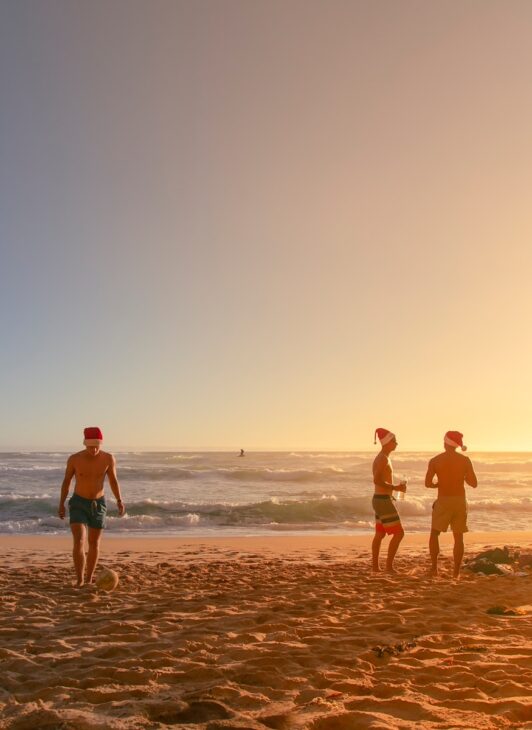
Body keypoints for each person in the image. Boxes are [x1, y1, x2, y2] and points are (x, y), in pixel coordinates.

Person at [58, 427, 125, 587]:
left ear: (100, 444)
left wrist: (119, 500)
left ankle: (89, 579)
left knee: (94, 542)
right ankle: (80, 579)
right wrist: (61, 503)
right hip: (78, 503)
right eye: (90, 446)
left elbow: (113, 481)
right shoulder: (75, 459)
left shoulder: (108, 458)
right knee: (79, 540)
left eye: (97, 446)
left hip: (98, 503)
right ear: (84, 444)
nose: (93, 449)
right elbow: (66, 482)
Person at [425, 431, 478, 578]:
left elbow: (427, 483)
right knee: (458, 537)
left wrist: (438, 484)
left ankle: (434, 568)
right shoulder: (465, 460)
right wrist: (463, 477)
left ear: (444, 443)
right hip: (459, 500)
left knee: (434, 533)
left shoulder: (435, 460)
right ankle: (456, 573)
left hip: (443, 500)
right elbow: (474, 483)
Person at [371, 428, 407, 573]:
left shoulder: (384, 457)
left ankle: (375, 567)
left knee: (380, 534)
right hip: (383, 500)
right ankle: (389, 567)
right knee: (399, 533)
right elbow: (377, 480)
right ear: (387, 443)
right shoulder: (382, 459)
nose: (397, 444)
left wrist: (394, 489)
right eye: (394, 441)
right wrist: (396, 487)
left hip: (380, 499)